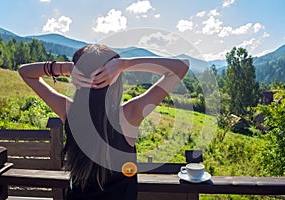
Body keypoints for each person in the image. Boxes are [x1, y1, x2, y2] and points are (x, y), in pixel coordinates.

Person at [19, 44, 189, 200]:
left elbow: (25, 72)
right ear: (115, 81)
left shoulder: (69, 111)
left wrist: (66, 68)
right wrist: (123, 65)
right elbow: (181, 66)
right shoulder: (130, 114)